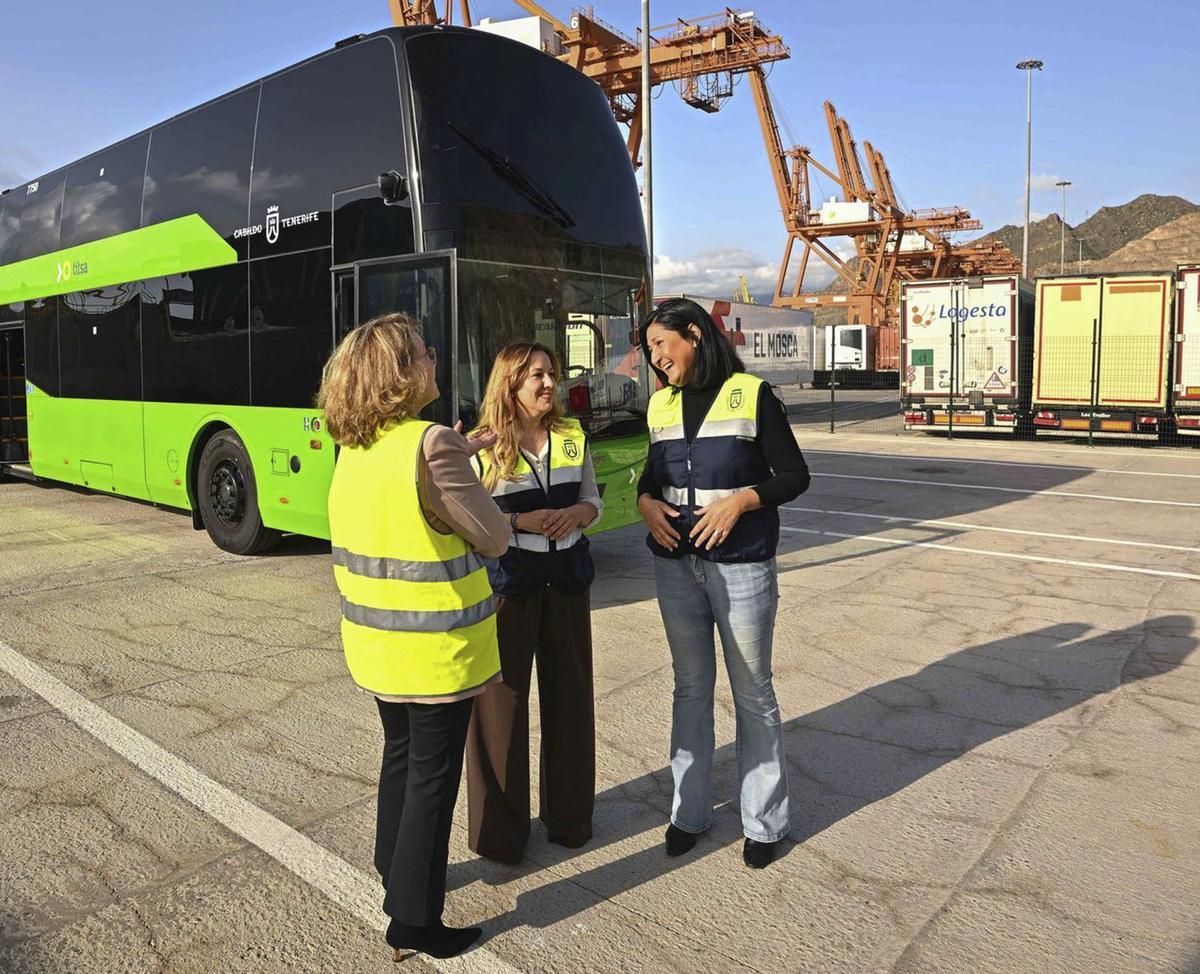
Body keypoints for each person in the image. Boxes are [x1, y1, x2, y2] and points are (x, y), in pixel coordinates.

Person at [318, 313, 510, 961]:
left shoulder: (359, 448)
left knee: (400, 759)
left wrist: (458, 455)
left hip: (377, 643)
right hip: (436, 651)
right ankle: (413, 921)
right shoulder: (431, 446)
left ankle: (390, 866)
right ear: (403, 374)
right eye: (426, 353)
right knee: (434, 777)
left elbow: (408, 510)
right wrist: (464, 464)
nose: (435, 358)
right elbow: (494, 536)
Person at [636, 297, 810, 870]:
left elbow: (794, 475)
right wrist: (644, 504)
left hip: (741, 566)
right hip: (675, 568)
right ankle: (689, 813)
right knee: (689, 688)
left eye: (661, 344)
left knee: (753, 692)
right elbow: (649, 476)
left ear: (694, 334)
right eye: (650, 348)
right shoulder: (659, 406)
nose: (654, 357)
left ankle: (765, 822)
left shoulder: (752, 395)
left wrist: (742, 501)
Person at [465, 342, 601, 863]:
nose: (549, 384)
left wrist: (580, 516)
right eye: (536, 376)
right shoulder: (482, 448)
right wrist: (517, 522)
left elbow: (593, 496)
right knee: (500, 709)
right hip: (510, 587)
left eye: (551, 374)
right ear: (510, 384)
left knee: (571, 699)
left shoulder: (570, 436)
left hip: (567, 581)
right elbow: (469, 522)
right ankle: (501, 837)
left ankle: (571, 821)